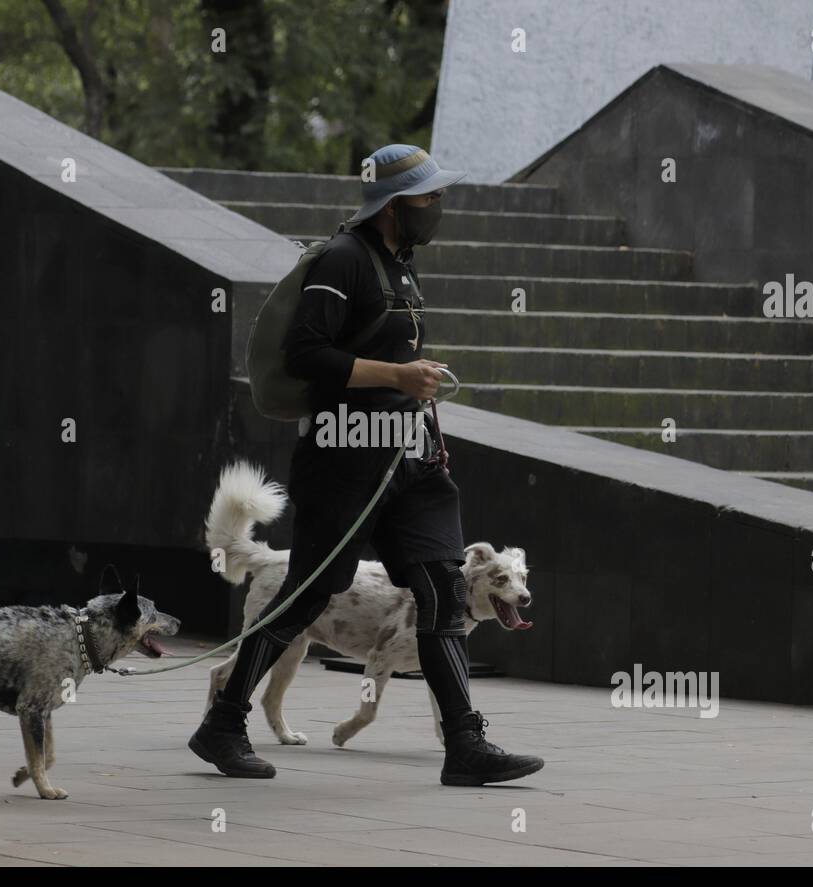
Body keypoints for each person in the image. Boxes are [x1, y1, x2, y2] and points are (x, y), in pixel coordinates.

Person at [188, 144, 545, 786]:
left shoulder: (398, 265)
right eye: (428, 197)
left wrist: (423, 415)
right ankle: (223, 723)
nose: (438, 207)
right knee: (310, 591)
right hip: (344, 459)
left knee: (443, 589)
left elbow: (396, 374)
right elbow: (305, 353)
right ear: (393, 203)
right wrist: (399, 375)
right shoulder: (343, 258)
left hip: (411, 464)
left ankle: (465, 744)